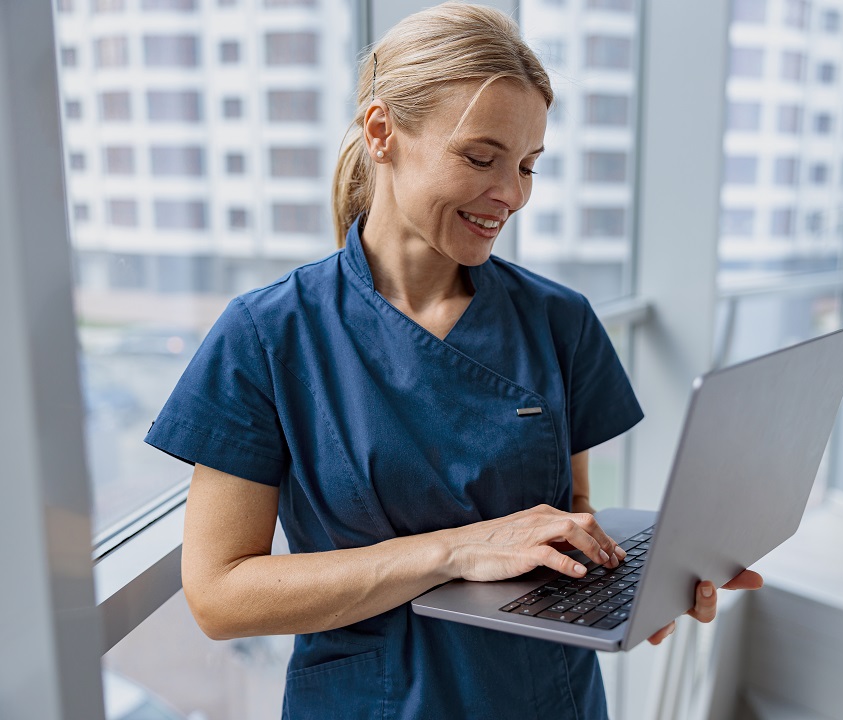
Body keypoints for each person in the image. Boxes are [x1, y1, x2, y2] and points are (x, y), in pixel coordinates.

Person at [145, 4, 762, 718]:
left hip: (547, 696)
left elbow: (574, 511)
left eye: (528, 165)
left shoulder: (560, 321)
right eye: (481, 157)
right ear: (382, 133)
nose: (511, 195)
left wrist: (628, 592)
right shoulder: (266, 336)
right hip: (374, 703)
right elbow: (221, 596)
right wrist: (457, 551)